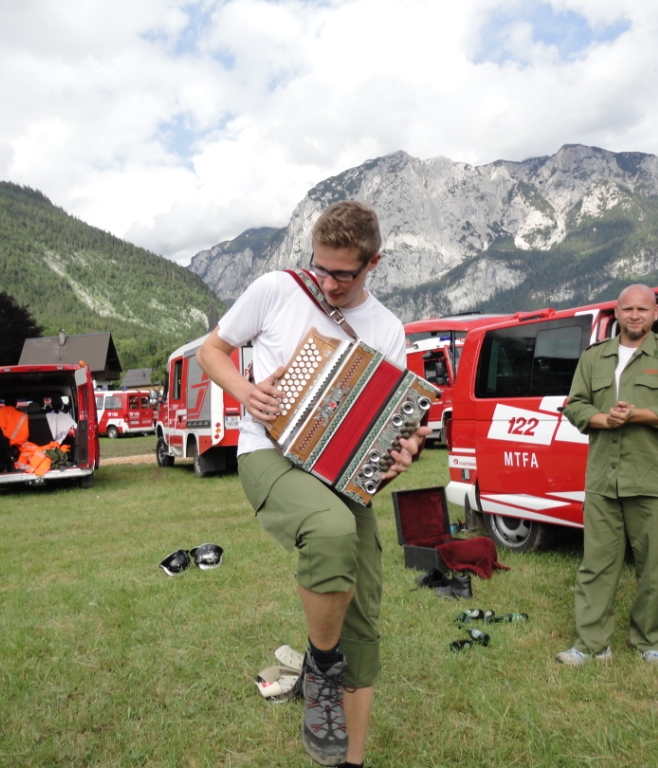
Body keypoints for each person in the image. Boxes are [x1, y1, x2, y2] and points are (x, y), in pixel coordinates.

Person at [196, 200, 428, 767]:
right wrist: (246, 391)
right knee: (331, 530)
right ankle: (321, 669)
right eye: (319, 267)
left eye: (342, 274)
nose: (326, 283)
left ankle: (350, 760)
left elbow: (389, 429)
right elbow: (210, 351)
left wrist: (402, 450)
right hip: (269, 453)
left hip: (344, 475)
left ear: (373, 263)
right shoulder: (277, 288)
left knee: (362, 616)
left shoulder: (387, 328)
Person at [558, 284, 658, 668]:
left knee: (653, 566)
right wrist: (603, 419)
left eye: (642, 309)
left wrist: (636, 415)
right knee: (596, 565)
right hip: (604, 481)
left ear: (656, 313)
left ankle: (650, 640)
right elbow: (575, 405)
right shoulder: (594, 357)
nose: (635, 315)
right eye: (627, 309)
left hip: (653, 479)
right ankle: (591, 644)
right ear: (616, 313)